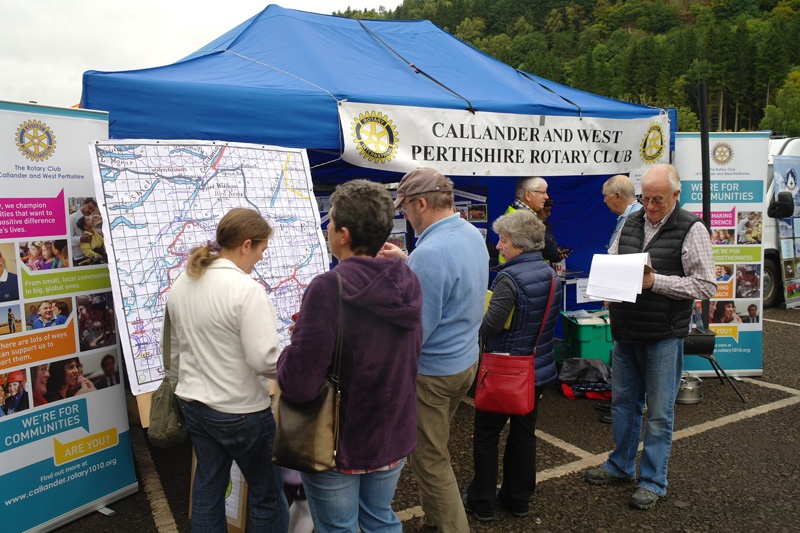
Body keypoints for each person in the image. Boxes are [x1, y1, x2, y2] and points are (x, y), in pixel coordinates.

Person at [278, 180, 423, 532]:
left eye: (330, 222)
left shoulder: (329, 287)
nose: (326, 228)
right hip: (393, 430)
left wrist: (289, 350)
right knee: (380, 520)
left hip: (342, 437)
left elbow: (300, 384)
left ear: (343, 233)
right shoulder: (407, 278)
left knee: (339, 527)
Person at [584, 164, 716, 510]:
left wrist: (656, 281)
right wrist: (607, 283)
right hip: (627, 330)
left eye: (658, 199)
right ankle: (620, 466)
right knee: (624, 405)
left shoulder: (692, 228)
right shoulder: (631, 220)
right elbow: (614, 258)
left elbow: (705, 284)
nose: (651, 205)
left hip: (663, 335)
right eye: (645, 198)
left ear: (676, 194)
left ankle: (654, 481)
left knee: (659, 412)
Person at [380, 167, 489, 532]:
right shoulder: (468, 233)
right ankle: (435, 521)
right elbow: (453, 284)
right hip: (464, 362)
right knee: (436, 446)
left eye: (406, 208)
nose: (405, 216)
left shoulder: (432, 251)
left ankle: (450, 526)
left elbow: (415, 331)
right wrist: (408, 261)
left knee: (430, 460)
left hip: (433, 373)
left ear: (421, 203)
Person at [167, 207, 289, 532]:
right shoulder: (246, 290)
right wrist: (299, 361)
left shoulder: (184, 281)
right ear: (246, 244)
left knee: (208, 486)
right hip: (241, 410)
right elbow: (264, 359)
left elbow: (174, 347)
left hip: (194, 403)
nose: (262, 257)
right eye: (262, 249)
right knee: (267, 495)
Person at [463, 209, 562, 522]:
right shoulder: (551, 274)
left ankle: (482, 502)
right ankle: (518, 500)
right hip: (539, 368)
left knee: (487, 435)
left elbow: (491, 326)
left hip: (506, 370)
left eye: (503, 240)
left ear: (519, 244)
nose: (498, 246)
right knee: (524, 434)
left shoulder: (509, 277)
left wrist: (476, 307)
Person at [501, 177, 564, 264]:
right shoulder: (523, 220)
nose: (546, 197)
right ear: (528, 195)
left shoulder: (516, 213)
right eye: (543, 192)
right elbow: (550, 251)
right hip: (523, 274)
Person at [603, 174, 643, 249]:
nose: (604, 200)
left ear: (617, 196)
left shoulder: (637, 217)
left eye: (606, 195)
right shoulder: (629, 215)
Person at [70, 198, 99, 264]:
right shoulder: (71, 219)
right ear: (83, 204)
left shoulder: (90, 220)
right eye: (89, 208)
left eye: (92, 210)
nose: (90, 211)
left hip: (92, 256)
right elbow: (68, 240)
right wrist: (80, 239)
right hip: (79, 258)